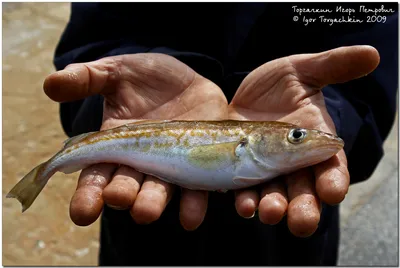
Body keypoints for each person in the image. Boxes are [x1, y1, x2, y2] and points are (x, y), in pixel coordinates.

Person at [43, 3, 398, 265]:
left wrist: (335, 112)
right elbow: (94, 40)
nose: (301, 140)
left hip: (287, 241)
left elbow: (367, 90)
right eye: (296, 138)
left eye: (295, 136)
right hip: (145, 233)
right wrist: (107, 97)